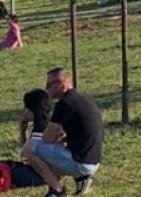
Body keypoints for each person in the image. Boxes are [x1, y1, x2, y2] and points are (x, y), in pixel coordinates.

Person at [22, 68, 102, 196]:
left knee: (28, 148)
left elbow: (47, 138)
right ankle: (80, 178)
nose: (47, 89)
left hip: (81, 163)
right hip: (94, 161)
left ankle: (57, 190)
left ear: (60, 83)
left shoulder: (64, 104)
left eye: (49, 85)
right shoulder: (85, 98)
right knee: (47, 153)